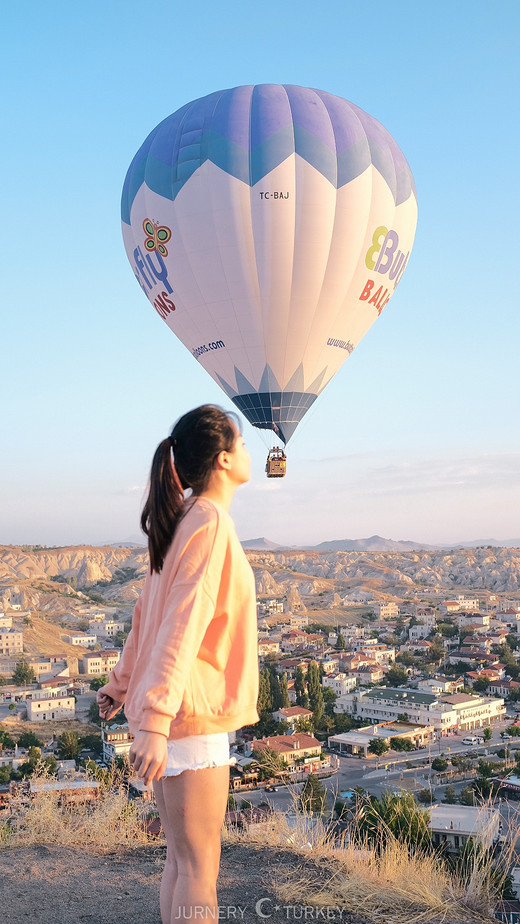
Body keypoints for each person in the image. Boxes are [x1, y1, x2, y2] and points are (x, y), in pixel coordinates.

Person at [96, 405, 259, 923]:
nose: (250, 454)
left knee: (182, 862)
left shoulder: (182, 519)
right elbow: (181, 621)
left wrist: (124, 685)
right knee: (198, 870)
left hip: (174, 712)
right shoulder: (209, 521)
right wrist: (158, 720)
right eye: (244, 444)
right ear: (224, 458)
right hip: (190, 711)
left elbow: (149, 614)